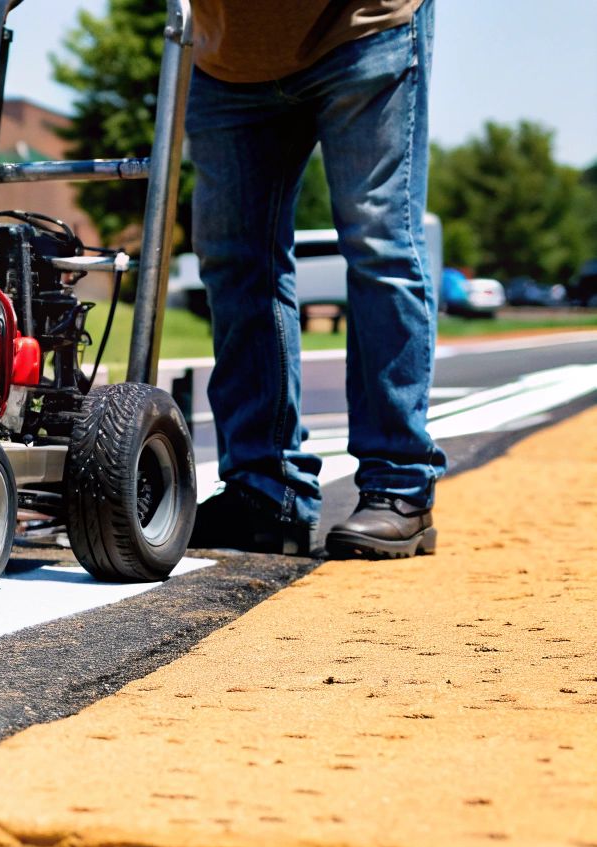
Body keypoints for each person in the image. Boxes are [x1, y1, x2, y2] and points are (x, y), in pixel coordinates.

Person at [184, 0, 444, 559]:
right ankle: (265, 492)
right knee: (235, 260)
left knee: (379, 244)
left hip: (364, 28)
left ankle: (399, 487)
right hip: (229, 55)